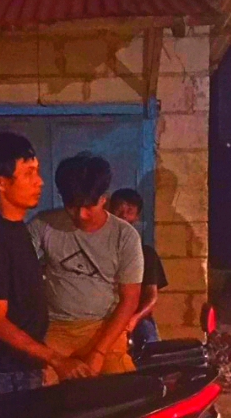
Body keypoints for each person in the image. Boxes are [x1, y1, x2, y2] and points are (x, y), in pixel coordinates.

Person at [0, 132, 91, 397]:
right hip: (7, 372)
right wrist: (55, 359)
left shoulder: (17, 229)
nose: (39, 181)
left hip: (23, 366)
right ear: (0, 182)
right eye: (29, 173)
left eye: (38, 171)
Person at [28, 152, 143, 385]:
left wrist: (99, 352)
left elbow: (130, 300)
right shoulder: (43, 225)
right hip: (56, 329)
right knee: (38, 390)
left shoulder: (125, 236)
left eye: (88, 206)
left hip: (104, 328)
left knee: (125, 392)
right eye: (72, 206)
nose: (80, 215)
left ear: (104, 199)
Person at [109, 188, 168, 356]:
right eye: (119, 210)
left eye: (129, 212)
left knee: (152, 353)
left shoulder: (146, 254)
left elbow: (151, 296)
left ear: (136, 217)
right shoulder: (99, 251)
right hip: (105, 318)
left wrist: (133, 319)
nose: (123, 216)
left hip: (137, 320)